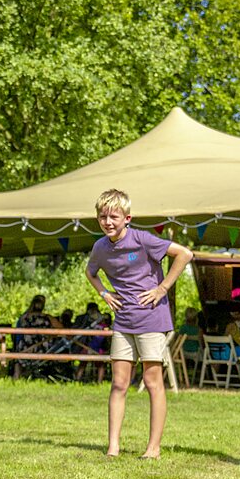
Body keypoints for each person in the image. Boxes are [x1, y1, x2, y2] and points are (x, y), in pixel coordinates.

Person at [85, 189, 194, 458]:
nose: (108, 222)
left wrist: (162, 288)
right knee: (119, 383)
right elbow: (91, 272)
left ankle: (153, 449)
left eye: (113, 216)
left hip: (152, 319)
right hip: (123, 321)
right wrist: (104, 294)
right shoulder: (100, 247)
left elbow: (185, 254)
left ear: (127, 218)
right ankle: (113, 447)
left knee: (152, 380)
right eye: (102, 217)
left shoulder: (142, 240)